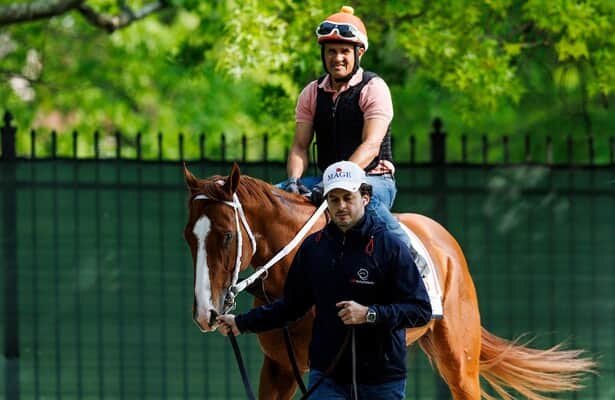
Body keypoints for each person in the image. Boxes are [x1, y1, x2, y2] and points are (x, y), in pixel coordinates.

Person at [218, 161, 432, 399]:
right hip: (327, 381)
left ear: (365, 197)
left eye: (348, 197)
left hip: (381, 381)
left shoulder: (391, 248)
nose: (341, 206)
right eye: (333, 198)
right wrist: (242, 323)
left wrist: (370, 314)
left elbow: (420, 310)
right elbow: (292, 306)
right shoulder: (313, 248)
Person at [282, 5, 412, 249]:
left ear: (359, 53)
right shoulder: (311, 93)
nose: (337, 58)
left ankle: (410, 258)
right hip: (324, 180)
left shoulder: (374, 88)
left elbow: (371, 145)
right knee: (272, 199)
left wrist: (335, 180)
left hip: (373, 179)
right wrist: (293, 181)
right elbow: (299, 147)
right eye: (331, 51)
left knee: (365, 204)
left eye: (344, 51)